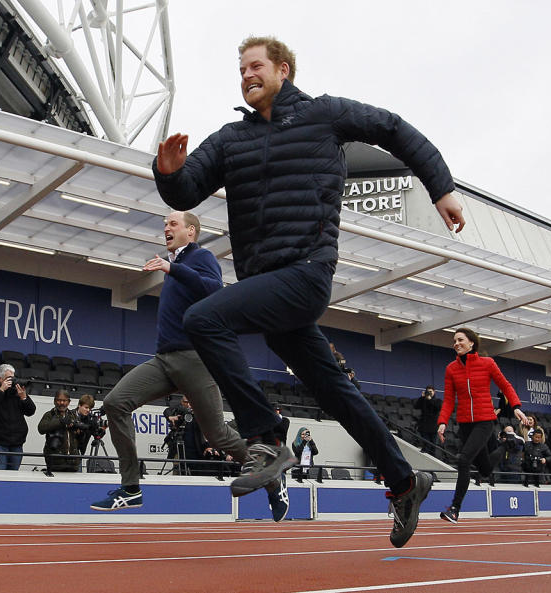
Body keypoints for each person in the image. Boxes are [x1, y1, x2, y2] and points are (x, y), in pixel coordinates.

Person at [152, 35, 462, 548]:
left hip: (307, 271)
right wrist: (167, 170)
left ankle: (267, 434)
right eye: (241, 69)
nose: (246, 75)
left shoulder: (324, 115)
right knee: (335, 390)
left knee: (204, 319)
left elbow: (392, 128)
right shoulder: (231, 139)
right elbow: (187, 190)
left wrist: (440, 187)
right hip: (266, 284)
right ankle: (405, 480)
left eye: (255, 66)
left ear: (283, 70)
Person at [91, 211, 285, 517]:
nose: (166, 227)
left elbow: (213, 289)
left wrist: (171, 268)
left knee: (217, 435)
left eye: (173, 223)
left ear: (190, 231)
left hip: (195, 359)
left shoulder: (201, 257)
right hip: (164, 360)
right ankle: (130, 489)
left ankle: (271, 472)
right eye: (165, 224)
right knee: (115, 403)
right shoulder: (177, 265)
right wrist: (172, 268)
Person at [436, 328, 527, 522]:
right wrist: (442, 422)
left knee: (463, 460)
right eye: (454, 341)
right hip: (465, 424)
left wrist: (516, 406)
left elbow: (505, 385)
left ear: (471, 343)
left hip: (484, 421)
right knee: (484, 469)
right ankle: (507, 444)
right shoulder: (451, 368)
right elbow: (449, 399)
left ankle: (454, 508)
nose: (456, 343)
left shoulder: (487, 363)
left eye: (460, 340)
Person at [0, 364, 36, 470]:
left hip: (17, 442)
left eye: (13, 377)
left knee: (14, 476)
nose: (12, 381)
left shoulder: (16, 392)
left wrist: (24, 397)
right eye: (9, 378)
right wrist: (1, 390)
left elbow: (31, 411)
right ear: (0, 378)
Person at [37, 390, 83, 472]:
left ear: (69, 402)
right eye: (59, 400)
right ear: (54, 401)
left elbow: (80, 437)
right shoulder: (49, 415)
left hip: (73, 461)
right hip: (55, 461)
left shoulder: (73, 415)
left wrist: (79, 431)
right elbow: (41, 428)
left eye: (64, 400)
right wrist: (61, 422)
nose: (61, 403)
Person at [413, 386, 441, 455]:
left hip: (433, 426)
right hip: (424, 425)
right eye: (427, 392)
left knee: (433, 444)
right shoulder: (423, 400)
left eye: (430, 392)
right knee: (426, 443)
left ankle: (432, 457)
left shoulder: (438, 401)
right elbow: (416, 406)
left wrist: (430, 399)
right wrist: (422, 397)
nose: (429, 393)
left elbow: (438, 407)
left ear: (434, 392)